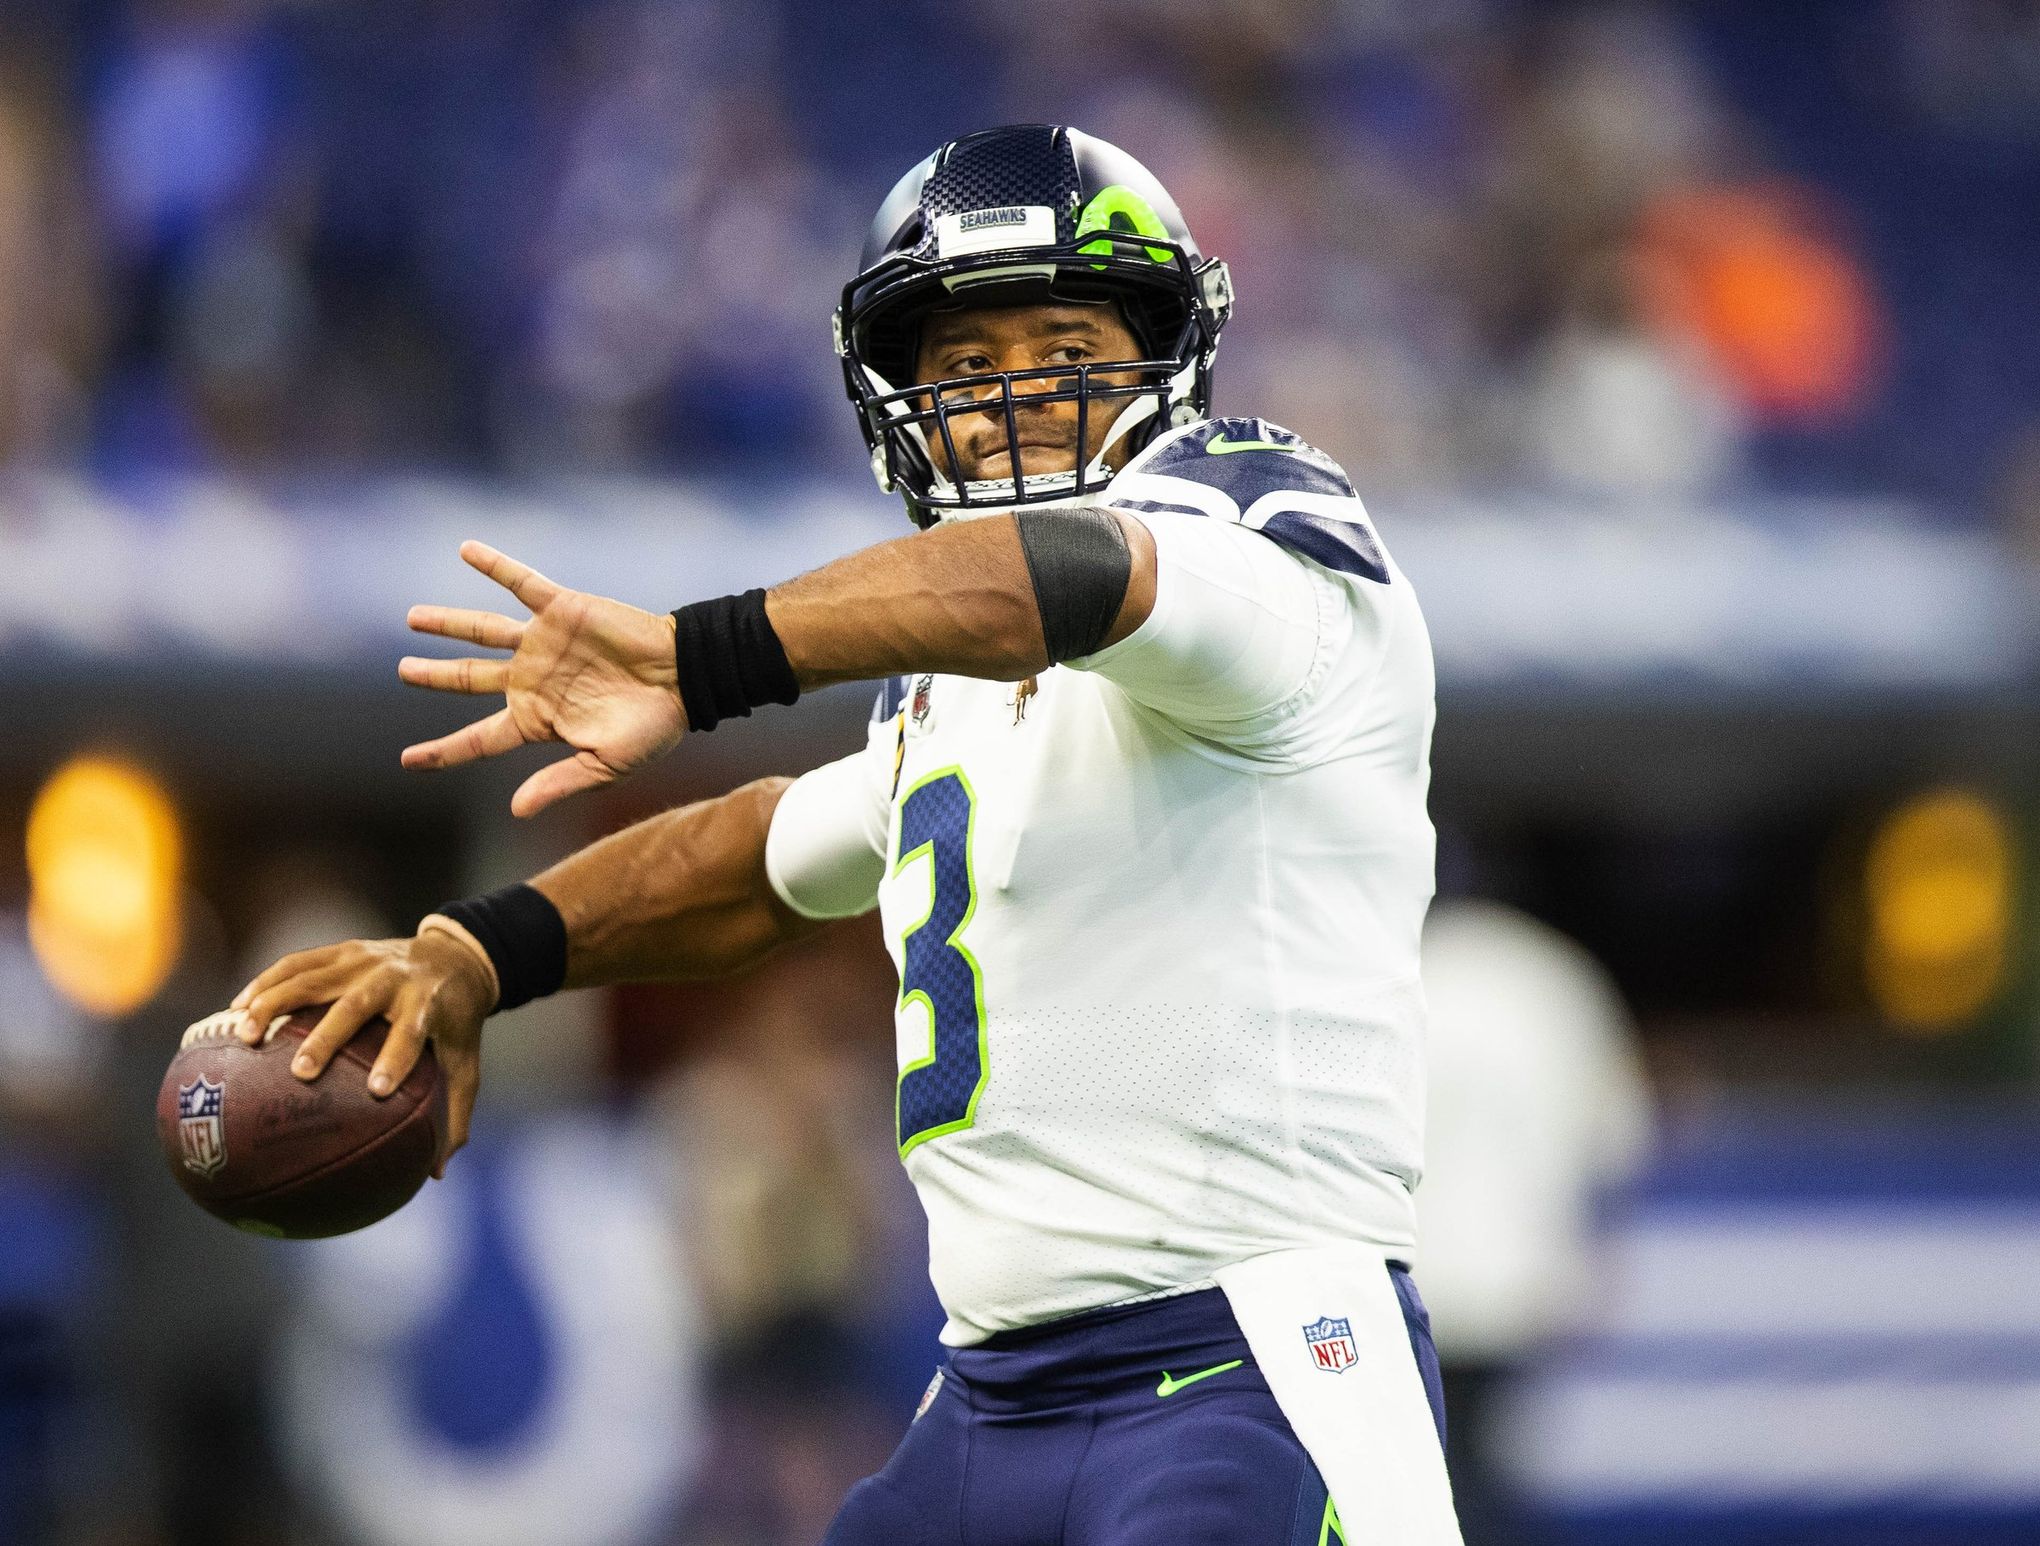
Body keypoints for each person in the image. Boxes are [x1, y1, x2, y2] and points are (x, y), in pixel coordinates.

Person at [231, 125, 1458, 1544]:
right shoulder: (949, 689)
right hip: (991, 1396)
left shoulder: (1263, 525)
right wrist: (477, 953)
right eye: (964, 367)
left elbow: (1061, 574)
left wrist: (707, 657)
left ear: (1163, 357)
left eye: (1065, 340)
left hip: (1253, 1358)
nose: (1016, 398)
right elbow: (763, 854)